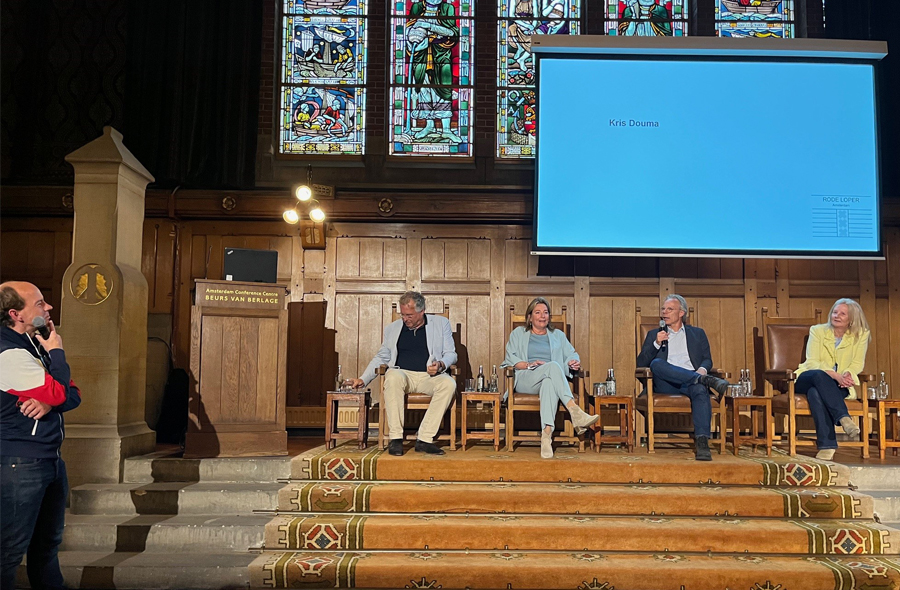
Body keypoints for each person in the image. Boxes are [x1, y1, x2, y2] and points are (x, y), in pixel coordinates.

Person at [1, 282, 82, 590]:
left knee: (47, 548)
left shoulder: (32, 344)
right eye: (39, 303)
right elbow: (62, 389)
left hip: (48, 459)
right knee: (8, 552)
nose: (48, 309)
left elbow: (72, 394)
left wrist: (49, 400)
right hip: (19, 463)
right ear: (15, 314)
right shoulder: (7, 351)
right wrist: (57, 352)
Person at [347, 291, 457, 456]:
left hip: (429, 376)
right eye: (403, 315)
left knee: (449, 384)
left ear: (422, 311)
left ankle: (425, 439)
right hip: (402, 374)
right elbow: (381, 357)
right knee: (392, 377)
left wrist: (441, 364)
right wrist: (363, 379)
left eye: (410, 315)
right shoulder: (393, 328)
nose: (405, 319)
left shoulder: (441, 324)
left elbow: (451, 354)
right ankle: (396, 438)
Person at [501, 297, 599, 459]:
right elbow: (510, 359)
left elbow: (571, 354)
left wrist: (572, 362)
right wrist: (529, 364)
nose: (542, 316)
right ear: (530, 317)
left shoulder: (557, 335)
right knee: (553, 366)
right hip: (526, 378)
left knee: (549, 383)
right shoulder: (518, 333)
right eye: (538, 312)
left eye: (545, 313)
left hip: (549, 379)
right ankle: (575, 411)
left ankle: (546, 435)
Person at [636, 294, 729, 461]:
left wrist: (701, 370)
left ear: (681, 313)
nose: (664, 312)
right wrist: (656, 343)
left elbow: (707, 359)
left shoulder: (697, 334)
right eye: (663, 309)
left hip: (690, 382)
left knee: (700, 390)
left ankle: (702, 442)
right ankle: (704, 380)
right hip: (665, 384)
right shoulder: (654, 334)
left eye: (669, 309)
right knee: (656, 363)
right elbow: (641, 363)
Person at [794, 298, 871, 461]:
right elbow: (812, 361)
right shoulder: (818, 330)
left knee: (815, 393)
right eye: (835, 312)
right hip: (808, 376)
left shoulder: (861, 334)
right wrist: (836, 375)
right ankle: (844, 418)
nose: (836, 316)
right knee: (819, 375)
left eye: (842, 314)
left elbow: (857, 363)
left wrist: (848, 374)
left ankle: (827, 446)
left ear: (852, 319)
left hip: (837, 384)